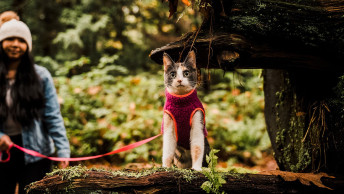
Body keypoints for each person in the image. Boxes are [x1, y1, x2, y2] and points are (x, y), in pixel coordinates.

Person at [0, 19, 70, 194]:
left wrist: (62, 149)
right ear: (1, 42)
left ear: (28, 45)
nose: (16, 44)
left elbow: (53, 116)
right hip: (3, 152)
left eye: (21, 40)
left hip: (36, 153)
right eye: (10, 39)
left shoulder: (41, 76)